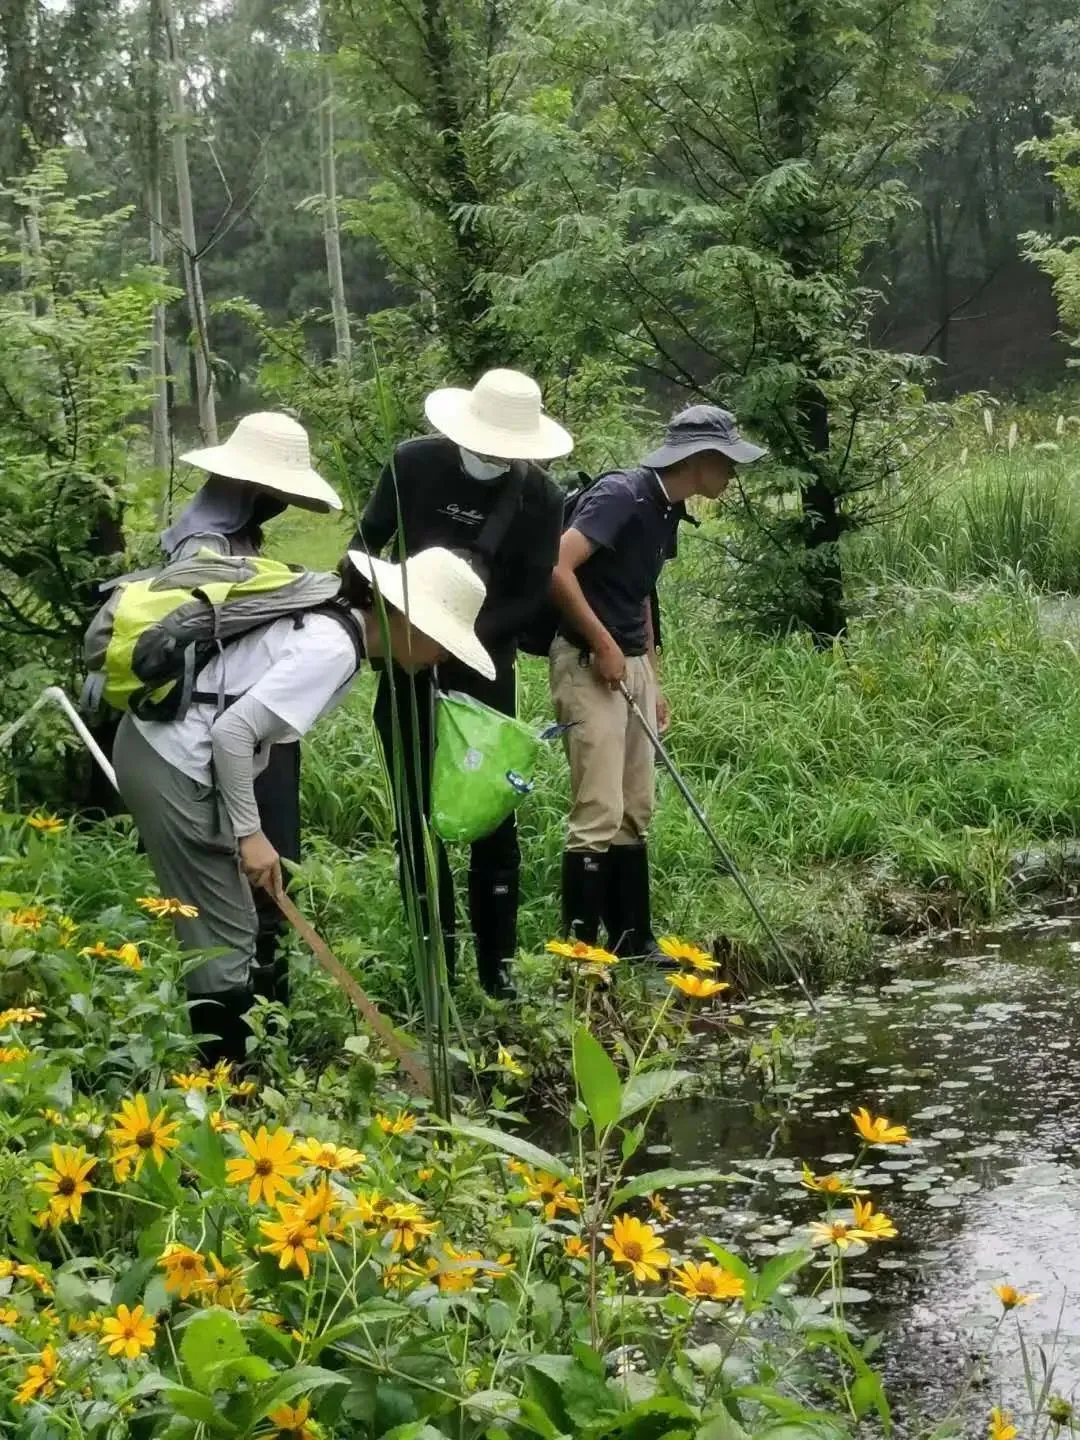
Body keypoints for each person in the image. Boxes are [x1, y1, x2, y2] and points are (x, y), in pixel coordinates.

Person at [112, 545, 495, 1067]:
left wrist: (240, 825)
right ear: (409, 621)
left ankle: (232, 1082)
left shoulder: (337, 628)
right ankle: (225, 1091)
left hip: (167, 755)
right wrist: (250, 833)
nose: (443, 657)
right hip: (171, 764)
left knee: (232, 930)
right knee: (225, 945)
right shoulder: (333, 650)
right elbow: (231, 733)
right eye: (444, 642)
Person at [353, 369, 572, 998]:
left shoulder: (540, 498)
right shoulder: (413, 466)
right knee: (414, 816)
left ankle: (498, 971)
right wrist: (384, 626)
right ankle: (435, 969)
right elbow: (364, 545)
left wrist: (464, 640)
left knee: (490, 814)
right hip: (405, 660)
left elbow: (531, 593)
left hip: (484, 669)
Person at [550, 404, 767, 956]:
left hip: (632, 662)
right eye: (728, 462)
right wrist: (602, 645)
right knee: (598, 808)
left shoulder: (669, 509)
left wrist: (653, 675)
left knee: (635, 806)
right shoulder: (623, 495)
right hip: (585, 660)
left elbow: (643, 593)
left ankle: (632, 940)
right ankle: (580, 953)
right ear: (699, 459)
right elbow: (558, 568)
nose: (733, 474)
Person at [162, 412, 343, 1008]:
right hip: (221, 725)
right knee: (248, 864)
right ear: (247, 488)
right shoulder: (201, 544)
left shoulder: (240, 538)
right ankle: (246, 1015)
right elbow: (193, 637)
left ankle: (272, 1008)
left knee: (274, 863)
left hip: (255, 719)